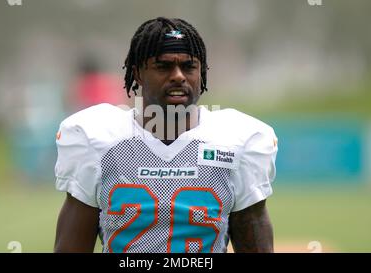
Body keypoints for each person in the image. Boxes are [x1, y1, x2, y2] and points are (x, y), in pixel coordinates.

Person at [54, 17, 278, 253]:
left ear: (201, 73)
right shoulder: (98, 141)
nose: (179, 75)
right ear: (138, 73)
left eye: (189, 66)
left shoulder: (236, 141)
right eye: (164, 66)